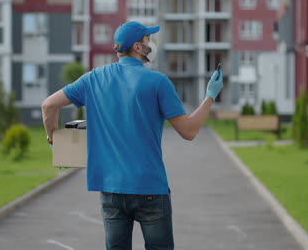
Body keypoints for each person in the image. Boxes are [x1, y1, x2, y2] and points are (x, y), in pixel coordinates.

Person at [41, 21, 223, 250]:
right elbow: (189, 131)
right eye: (148, 40)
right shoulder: (158, 82)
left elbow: (48, 106)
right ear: (137, 47)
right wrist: (210, 96)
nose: (152, 43)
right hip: (150, 189)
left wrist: (54, 141)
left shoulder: (93, 79)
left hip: (111, 189)